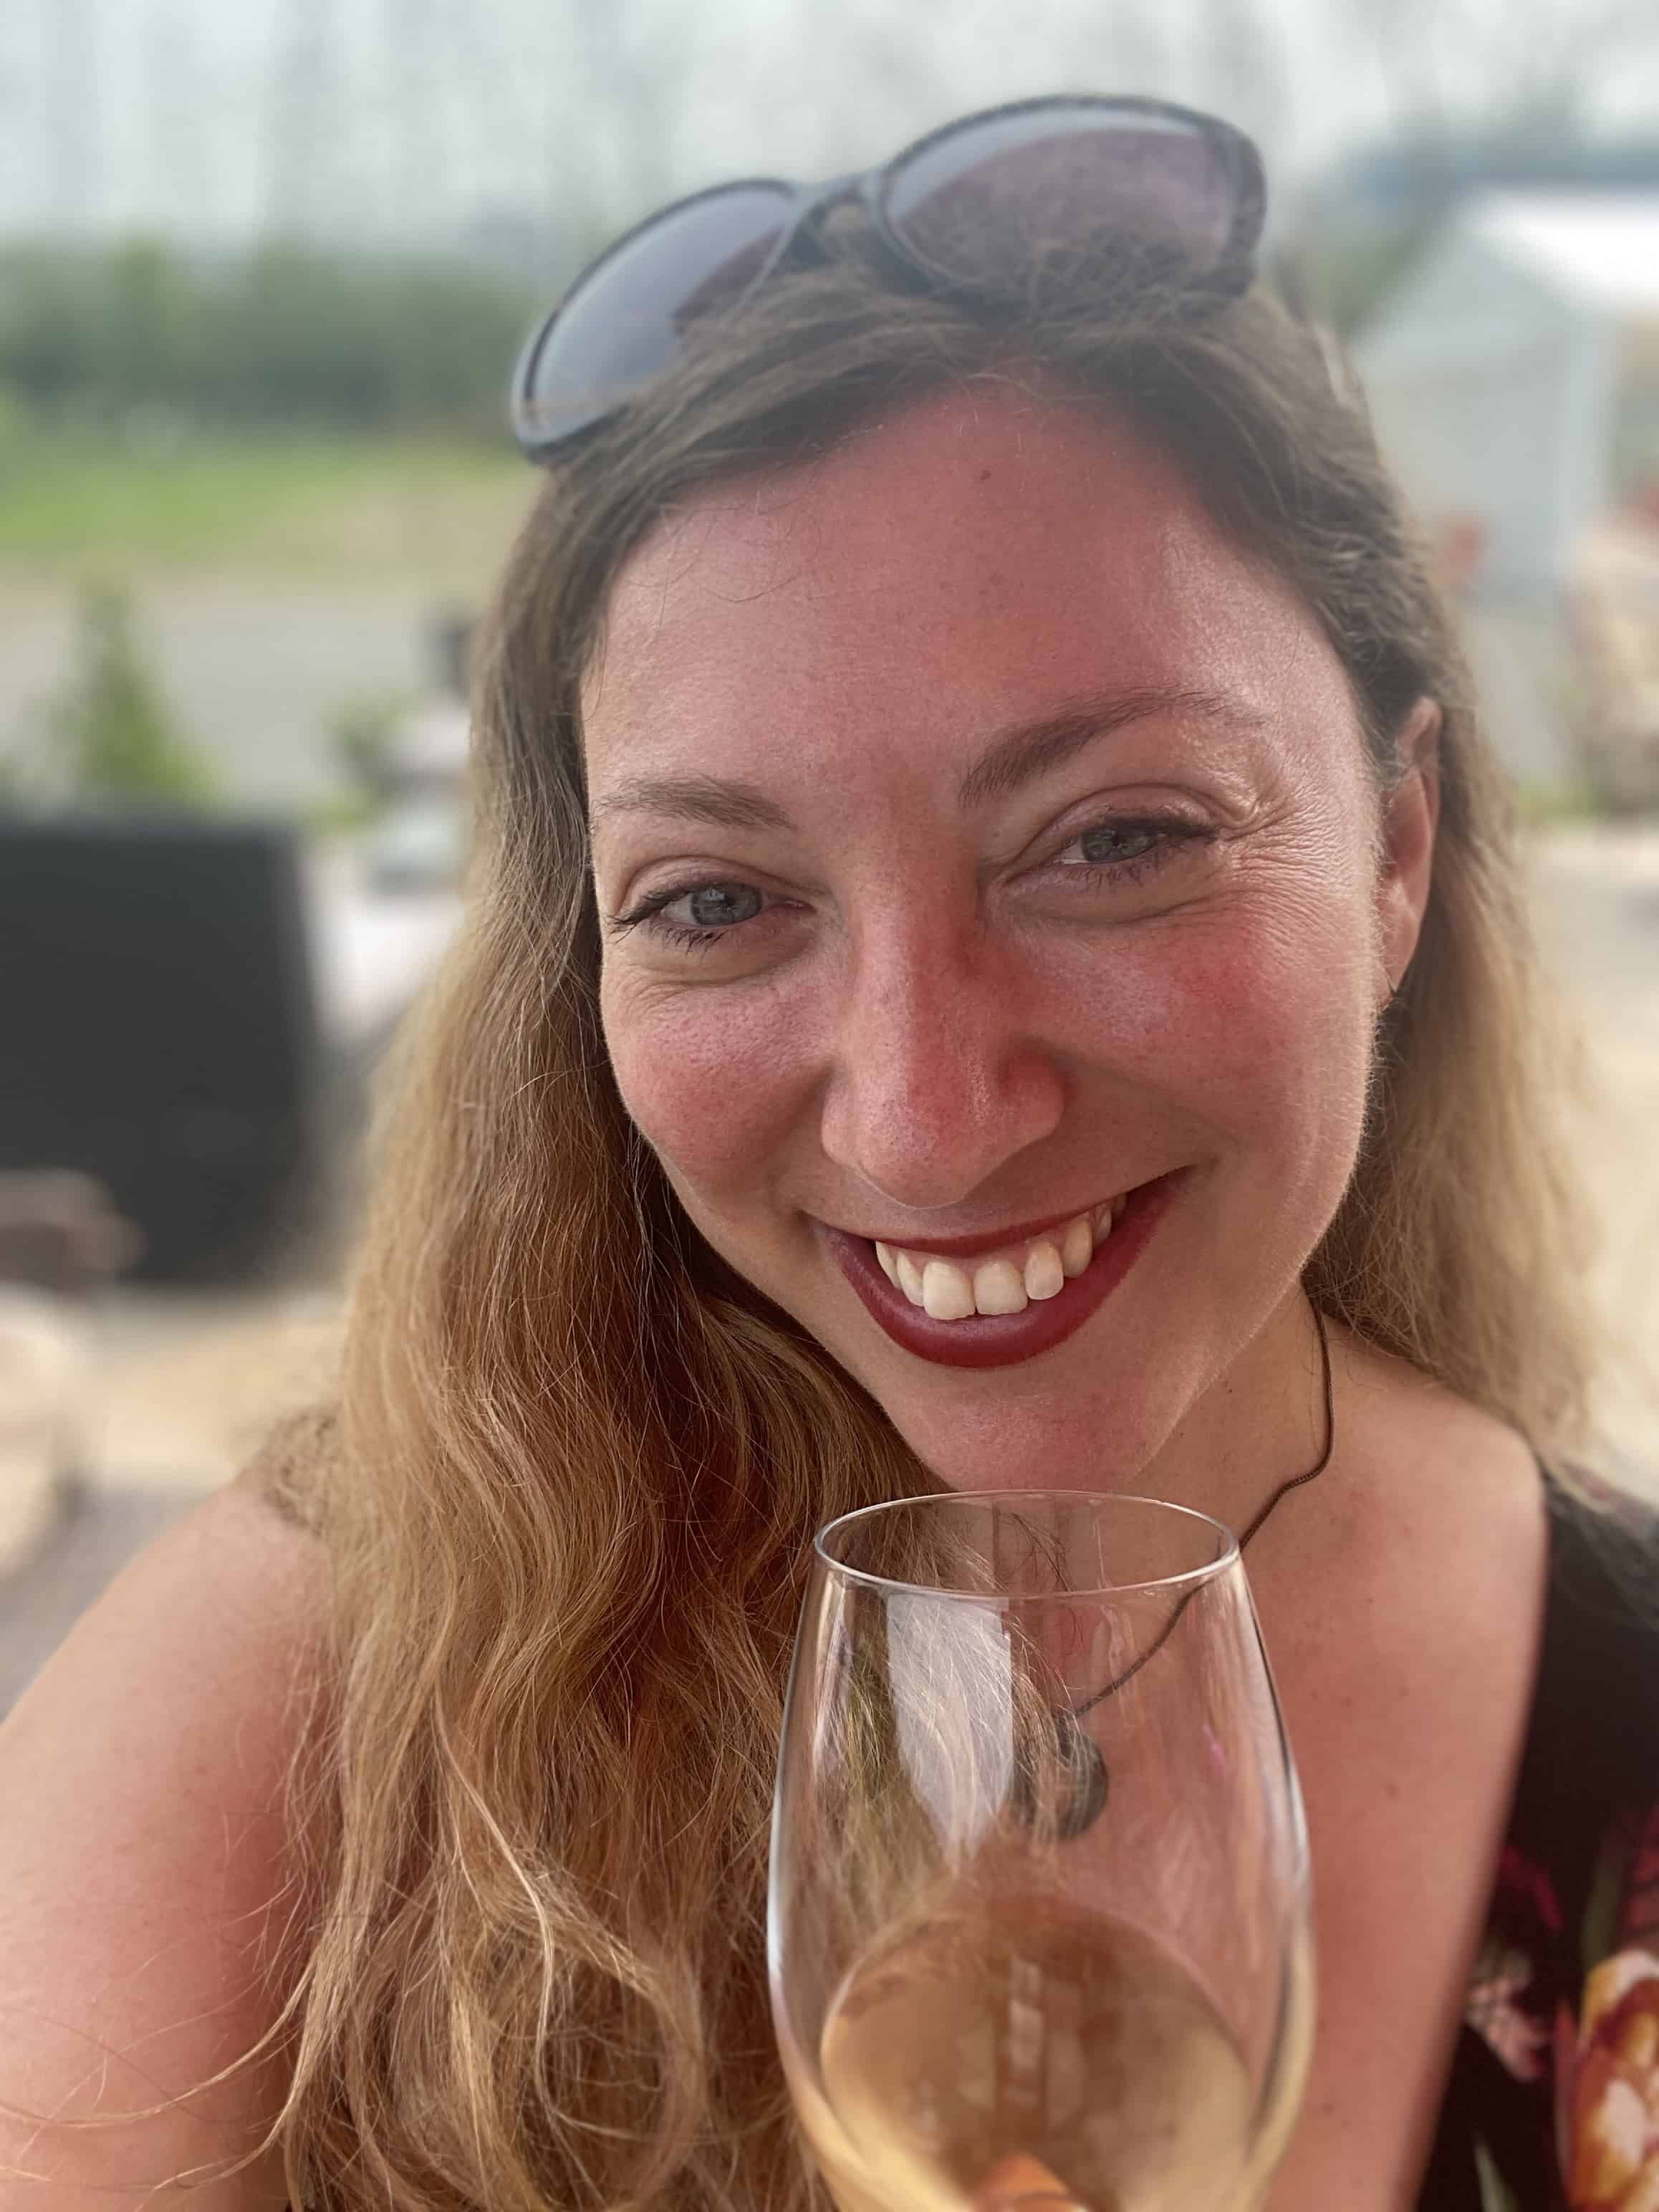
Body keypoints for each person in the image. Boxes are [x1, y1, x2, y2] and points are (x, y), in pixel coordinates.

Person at [1, 95, 1655, 2212]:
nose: (919, 1115)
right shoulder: (309, 1685)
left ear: (1398, 849)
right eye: (716, 899)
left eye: (1117, 840)